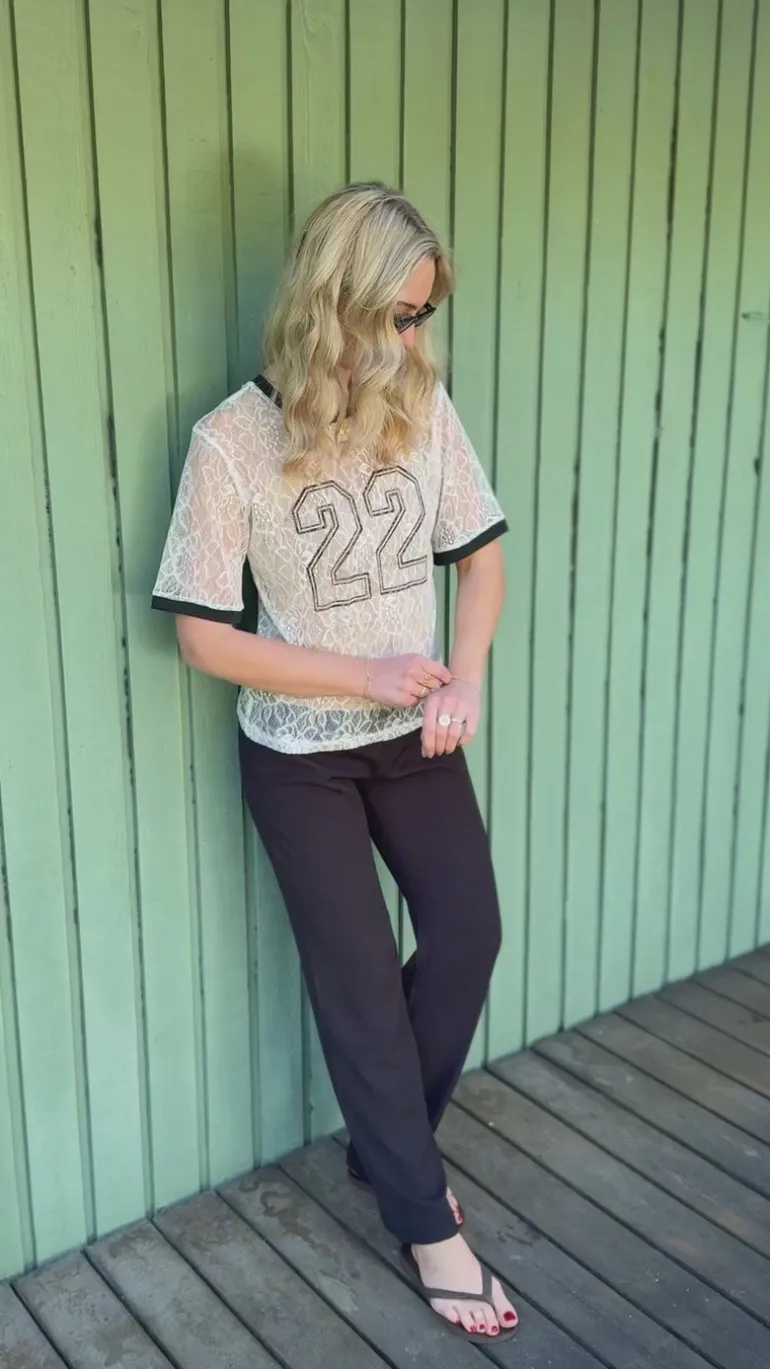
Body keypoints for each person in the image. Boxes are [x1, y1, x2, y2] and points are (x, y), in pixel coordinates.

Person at [152, 182, 517, 1344]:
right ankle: (422, 1217)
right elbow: (202, 636)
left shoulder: (418, 402)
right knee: (358, 988)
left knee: (466, 934)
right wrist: (358, 672)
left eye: (421, 316)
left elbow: (481, 555)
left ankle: (383, 1145)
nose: (409, 340)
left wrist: (464, 678)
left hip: (414, 737)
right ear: (332, 298)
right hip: (299, 756)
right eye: (393, 315)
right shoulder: (232, 441)